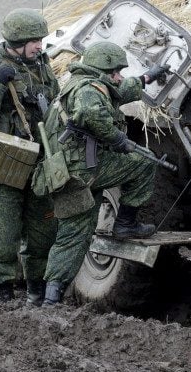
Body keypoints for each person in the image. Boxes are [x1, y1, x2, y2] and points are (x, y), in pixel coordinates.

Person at [39, 41, 166, 306]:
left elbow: (119, 91)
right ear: (102, 71)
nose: (119, 77)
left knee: (74, 234)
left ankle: (51, 297)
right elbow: (89, 112)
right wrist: (117, 138)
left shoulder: (86, 83)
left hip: (75, 171)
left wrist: (146, 78)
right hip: (86, 170)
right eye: (116, 72)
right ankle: (126, 224)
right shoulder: (88, 90)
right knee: (144, 164)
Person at [0, 8, 59, 305]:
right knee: (2, 234)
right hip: (4, 160)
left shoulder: (43, 67)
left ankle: (36, 292)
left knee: (43, 232)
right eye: (34, 40)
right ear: (17, 40)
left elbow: (54, 103)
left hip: (38, 161)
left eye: (40, 40)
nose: (39, 45)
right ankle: (1, 292)